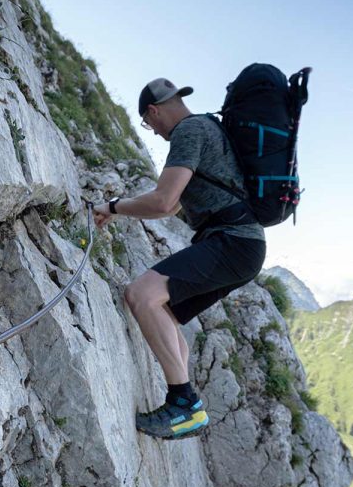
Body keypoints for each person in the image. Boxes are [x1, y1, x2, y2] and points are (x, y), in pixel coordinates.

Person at [93, 78, 266, 440]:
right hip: (242, 245)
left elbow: (162, 200)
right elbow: (170, 206)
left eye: (147, 124)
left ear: (154, 111)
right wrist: (121, 209)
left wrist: (111, 206)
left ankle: (184, 404)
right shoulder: (207, 127)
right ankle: (182, 405)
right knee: (165, 313)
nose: (153, 133)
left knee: (141, 295)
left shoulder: (188, 131)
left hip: (233, 242)